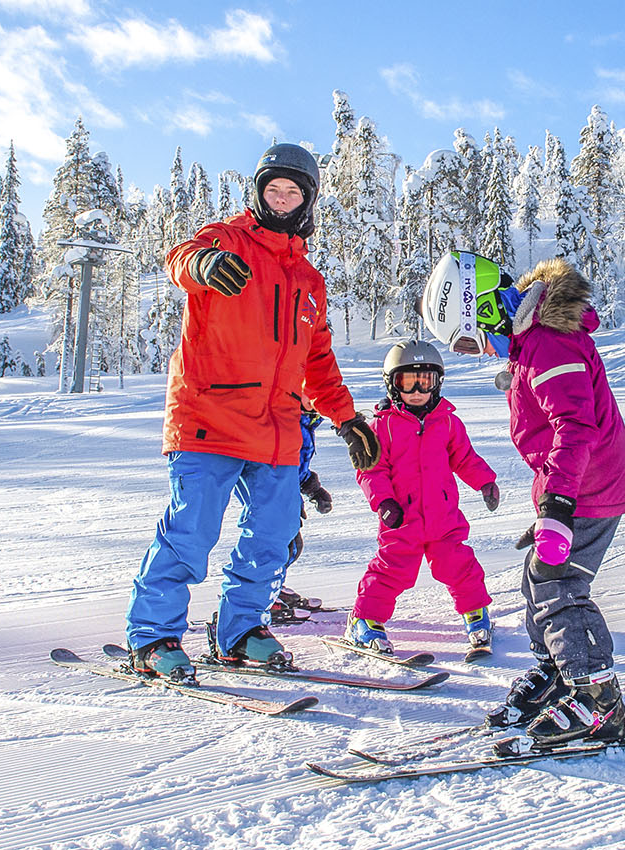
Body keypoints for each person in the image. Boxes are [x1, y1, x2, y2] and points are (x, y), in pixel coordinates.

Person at [124, 143, 381, 681]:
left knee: (275, 531)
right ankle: (153, 636)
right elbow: (180, 260)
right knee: (191, 532)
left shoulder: (309, 281)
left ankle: (241, 630)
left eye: (293, 192)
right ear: (259, 192)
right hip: (208, 416)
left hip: (278, 429)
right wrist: (204, 263)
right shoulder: (226, 241)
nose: (281, 199)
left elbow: (319, 359)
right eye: (273, 189)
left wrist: (347, 418)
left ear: (307, 201)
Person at [484, 257, 625, 750]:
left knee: (560, 583)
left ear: (487, 310)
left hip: (588, 487)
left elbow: (574, 427)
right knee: (539, 575)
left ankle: (597, 698)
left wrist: (557, 505)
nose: (481, 350)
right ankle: (558, 671)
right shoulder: (534, 343)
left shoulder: (547, 344)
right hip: (576, 482)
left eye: (474, 337)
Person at [346, 340, 500, 655]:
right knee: (392, 568)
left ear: (437, 383)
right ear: (392, 383)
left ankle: (476, 612)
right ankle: (364, 620)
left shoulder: (447, 422)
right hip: (402, 517)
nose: (417, 389)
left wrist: (485, 482)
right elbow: (371, 471)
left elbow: (465, 458)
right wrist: (384, 502)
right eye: (407, 381)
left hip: (443, 517)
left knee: (458, 564)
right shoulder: (382, 427)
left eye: (425, 381)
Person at [271, 407, 334, 623]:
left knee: (290, 546)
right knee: (277, 547)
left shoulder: (306, 421)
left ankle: (273, 587)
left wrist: (313, 489)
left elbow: (297, 466)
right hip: (271, 493)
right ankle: (260, 598)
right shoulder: (287, 418)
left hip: (286, 492)